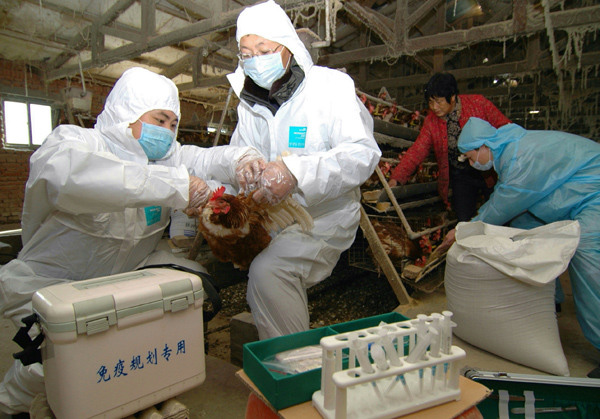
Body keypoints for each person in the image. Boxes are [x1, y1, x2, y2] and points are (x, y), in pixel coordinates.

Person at [0, 67, 262, 414]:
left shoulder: (168, 158)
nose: (168, 132)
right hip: (50, 286)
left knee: (106, 365)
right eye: (160, 119)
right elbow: (69, 177)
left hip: (115, 287)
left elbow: (207, 157)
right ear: (128, 112)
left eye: (173, 124)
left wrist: (243, 159)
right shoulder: (73, 144)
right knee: (46, 365)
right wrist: (174, 186)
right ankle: (7, 406)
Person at [227, 0, 381, 340]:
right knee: (261, 282)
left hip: (325, 217)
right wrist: (242, 170)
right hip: (276, 219)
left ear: (287, 46)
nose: (254, 60)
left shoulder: (329, 88)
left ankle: (296, 364)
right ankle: (286, 360)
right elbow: (240, 151)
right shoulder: (248, 103)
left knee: (270, 272)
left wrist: (296, 172)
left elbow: (362, 154)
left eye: (263, 49)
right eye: (246, 53)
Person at [455, 116, 600, 377]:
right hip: (575, 192)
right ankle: (549, 297)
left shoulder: (519, 158)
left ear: (485, 145)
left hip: (594, 192)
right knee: (525, 224)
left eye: (470, 156)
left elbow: (502, 204)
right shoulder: (509, 152)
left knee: (586, 255)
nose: (471, 162)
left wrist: (466, 229)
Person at [388, 72, 510, 222]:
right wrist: (397, 177)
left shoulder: (479, 104)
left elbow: (505, 128)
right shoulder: (431, 122)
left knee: (499, 212)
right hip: (460, 176)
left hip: (488, 171)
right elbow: (417, 151)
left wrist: (509, 159)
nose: (434, 107)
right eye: (431, 102)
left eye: (439, 102)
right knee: (464, 218)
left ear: (452, 97)